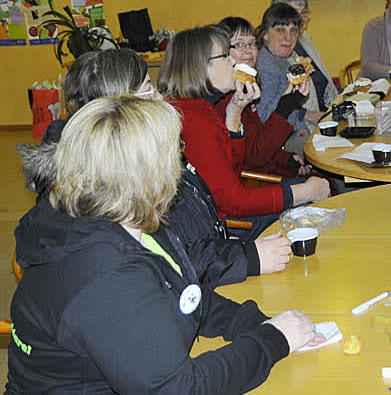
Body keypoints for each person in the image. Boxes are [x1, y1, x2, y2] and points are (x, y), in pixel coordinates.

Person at [7, 96, 324, 393]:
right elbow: (180, 388)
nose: (182, 160)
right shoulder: (106, 276)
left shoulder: (126, 217)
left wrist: (255, 323)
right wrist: (272, 341)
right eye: (177, 149)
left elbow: (184, 294)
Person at [17, 49, 292, 285]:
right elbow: (166, 265)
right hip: (194, 293)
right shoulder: (119, 184)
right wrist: (247, 257)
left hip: (215, 265)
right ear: (121, 108)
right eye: (150, 89)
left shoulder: (144, 152)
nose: (162, 98)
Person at [159, 25, 330, 241]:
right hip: (221, 227)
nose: (233, 61)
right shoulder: (191, 119)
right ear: (200, 66)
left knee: (310, 191)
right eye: (225, 55)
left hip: (229, 210)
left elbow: (234, 166)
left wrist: (235, 111)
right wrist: (305, 193)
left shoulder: (201, 106)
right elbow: (233, 200)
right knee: (313, 201)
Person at [217, 16, 312, 178]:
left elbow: (255, 140)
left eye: (252, 43)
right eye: (239, 44)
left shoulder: (245, 85)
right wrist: (286, 106)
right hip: (254, 183)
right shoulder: (225, 99)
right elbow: (255, 157)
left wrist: (286, 159)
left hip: (268, 167)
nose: (248, 50)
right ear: (222, 52)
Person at [255, 3, 322, 156]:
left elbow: (291, 108)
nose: (288, 37)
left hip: (290, 133)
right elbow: (265, 117)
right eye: (280, 30)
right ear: (265, 34)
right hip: (276, 145)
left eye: (293, 31)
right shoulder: (266, 67)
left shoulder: (282, 62)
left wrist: (301, 128)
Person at [271, 0, 341, 110]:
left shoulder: (305, 39)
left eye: (304, 13)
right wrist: (310, 116)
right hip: (304, 124)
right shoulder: (276, 51)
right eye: (295, 14)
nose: (301, 19)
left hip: (327, 110)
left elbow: (324, 80)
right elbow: (279, 104)